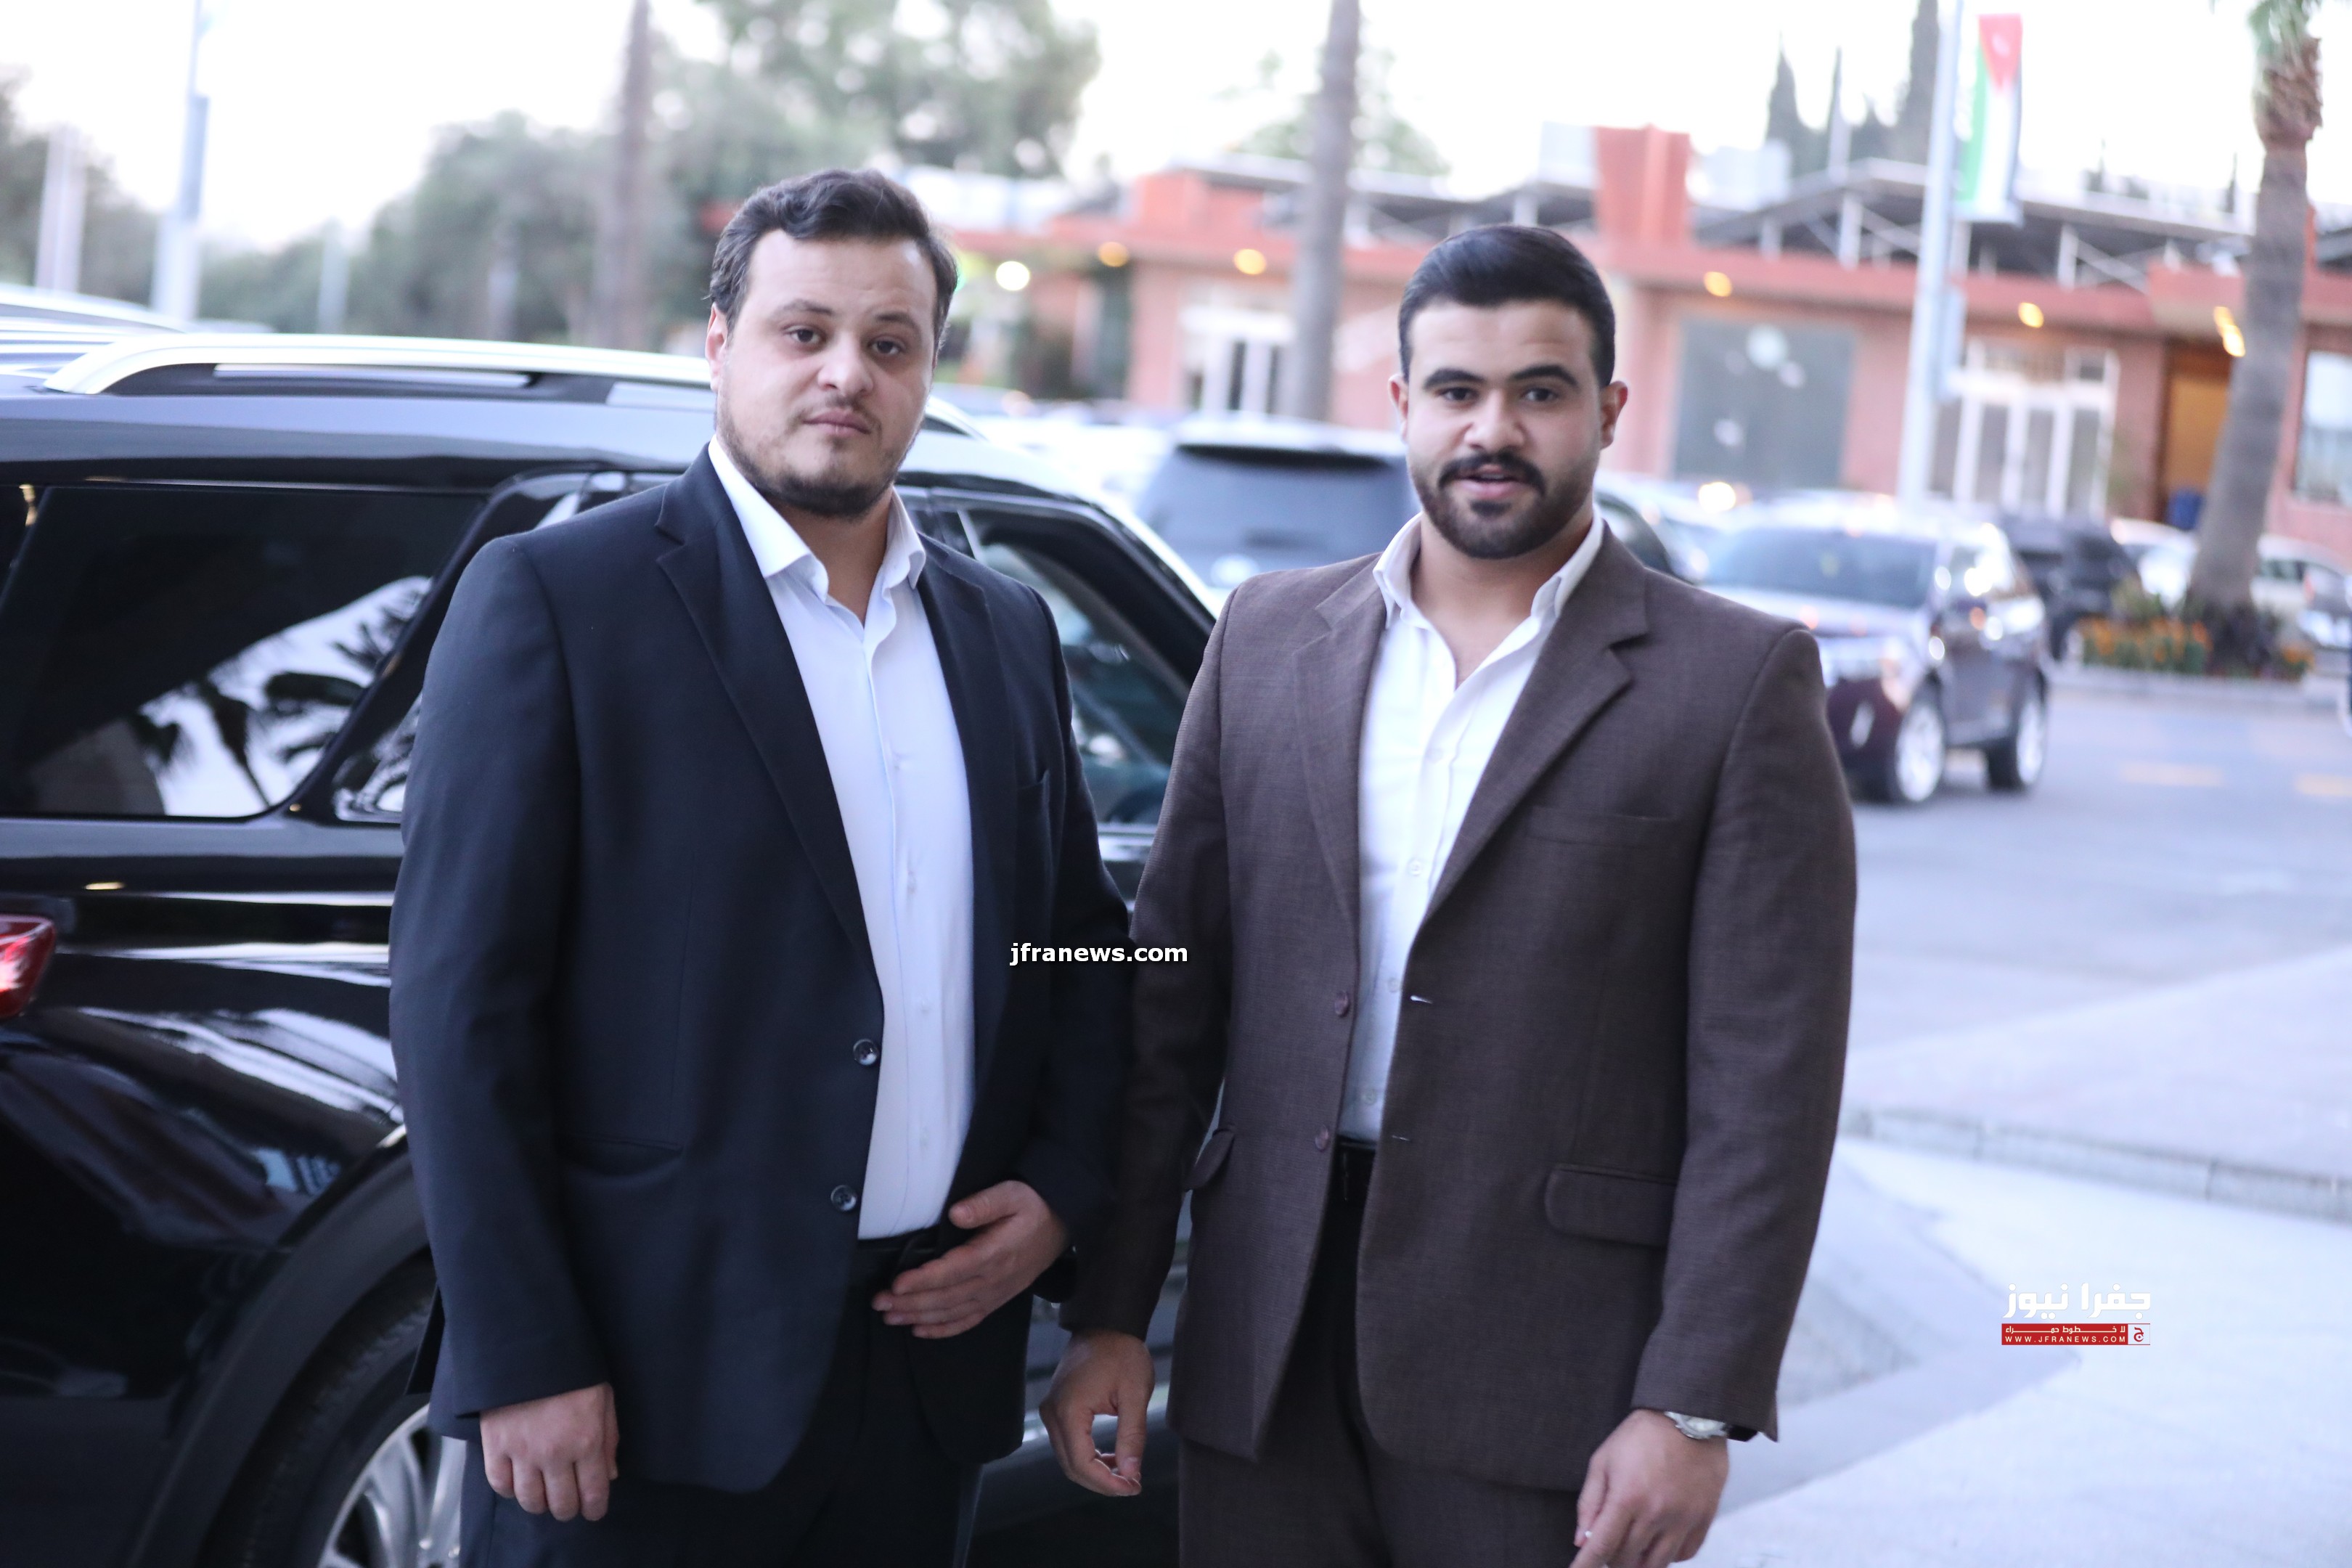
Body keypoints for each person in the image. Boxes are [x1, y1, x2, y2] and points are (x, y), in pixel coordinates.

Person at [1041, 225, 1856, 1568]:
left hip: (1549, 1373)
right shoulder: (1264, 640)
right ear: (1401, 403)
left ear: (1608, 409)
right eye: (1458, 391)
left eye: (1540, 391)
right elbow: (1170, 1006)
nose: (1494, 430)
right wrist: (1113, 1311)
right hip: (1264, 1341)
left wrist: (1693, 1400)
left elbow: (1767, 1079)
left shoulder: (1735, 682)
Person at [390, 168, 1131, 1567]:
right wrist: (524, 1352)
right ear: (720, 345)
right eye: (805, 332)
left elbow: (1080, 943)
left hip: (923, 1378)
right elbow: (457, 1007)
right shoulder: (562, 601)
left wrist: (1060, 1191)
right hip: (635, 1388)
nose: (847, 372)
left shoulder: (1004, 631)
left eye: (890, 342)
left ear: (929, 369)